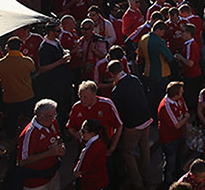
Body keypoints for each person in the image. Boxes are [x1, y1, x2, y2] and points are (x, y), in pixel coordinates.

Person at [109, 59, 151, 190]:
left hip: (133, 125)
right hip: (146, 119)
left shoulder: (117, 90)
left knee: (128, 153)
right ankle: (146, 176)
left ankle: (137, 182)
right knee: (145, 148)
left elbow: (120, 112)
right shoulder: (134, 78)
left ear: (111, 74)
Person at [16, 99, 65, 190]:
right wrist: (49, 153)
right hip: (37, 183)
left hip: (53, 174)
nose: (53, 118)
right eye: (50, 116)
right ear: (39, 116)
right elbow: (22, 161)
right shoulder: (30, 133)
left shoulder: (52, 123)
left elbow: (58, 138)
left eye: (54, 115)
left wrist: (61, 148)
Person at [67, 81, 123, 157]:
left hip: (104, 148)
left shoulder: (107, 105)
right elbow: (70, 127)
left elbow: (119, 125)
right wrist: (76, 134)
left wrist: (113, 147)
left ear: (94, 95)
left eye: (85, 97)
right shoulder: (76, 107)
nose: (82, 100)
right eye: (80, 96)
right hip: (84, 149)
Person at [0, 36, 36, 138]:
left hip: (10, 98)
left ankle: (12, 142)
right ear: (20, 47)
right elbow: (33, 72)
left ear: (7, 47)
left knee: (11, 124)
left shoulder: (0, 64)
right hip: (27, 96)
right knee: (29, 122)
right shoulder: (28, 61)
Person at [159, 81, 190, 186]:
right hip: (169, 138)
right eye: (181, 92)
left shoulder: (179, 99)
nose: (183, 94)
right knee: (170, 161)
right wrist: (186, 118)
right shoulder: (165, 106)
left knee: (180, 157)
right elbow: (177, 124)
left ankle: (179, 174)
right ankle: (167, 183)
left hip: (179, 134)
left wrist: (185, 121)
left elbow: (185, 112)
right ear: (175, 95)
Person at [73, 119, 109, 190]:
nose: (80, 133)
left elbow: (78, 172)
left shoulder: (88, 150)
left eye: (83, 131)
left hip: (91, 184)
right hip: (101, 181)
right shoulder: (101, 142)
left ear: (92, 134)